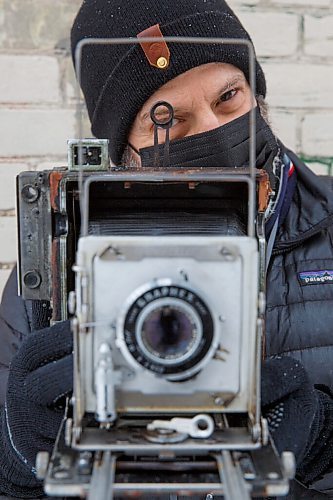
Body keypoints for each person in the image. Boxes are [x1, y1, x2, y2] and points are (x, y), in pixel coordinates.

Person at [0, 0, 333, 498]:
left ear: (257, 91)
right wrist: (17, 452)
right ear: (121, 150)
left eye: (228, 97)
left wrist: (322, 434)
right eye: (167, 119)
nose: (209, 130)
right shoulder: (60, 260)